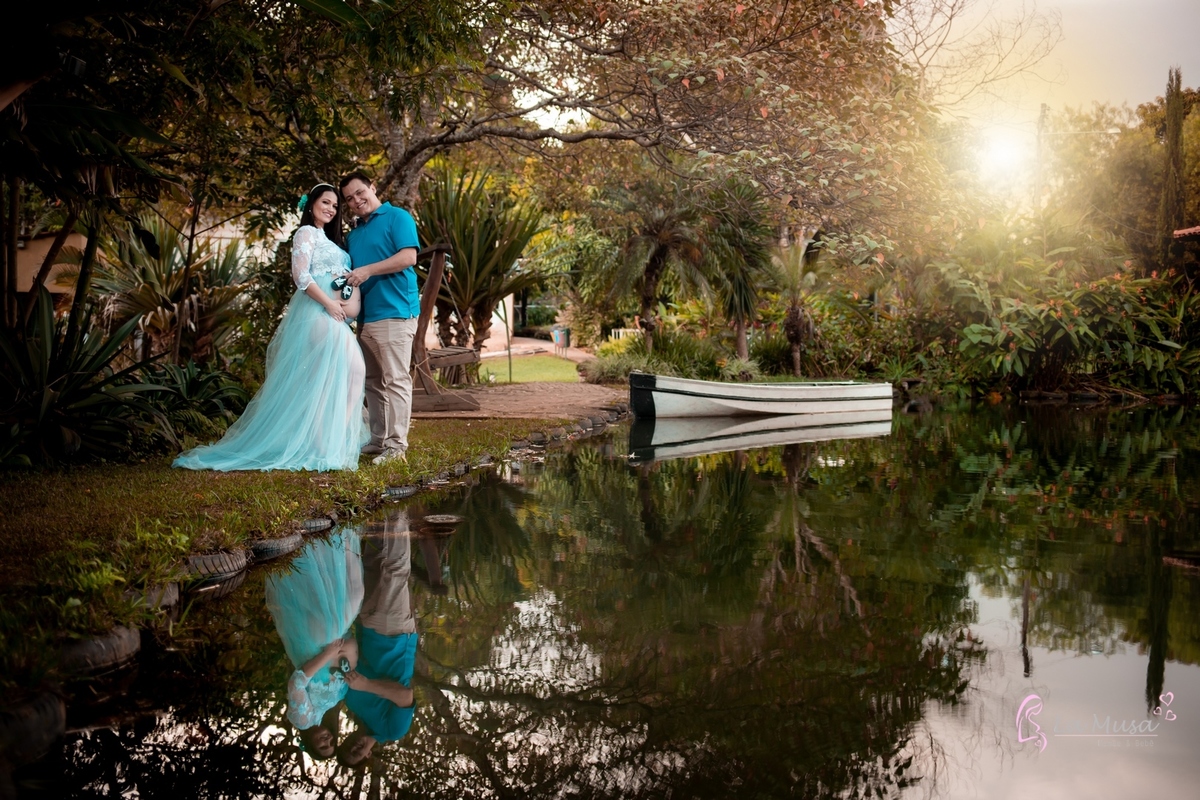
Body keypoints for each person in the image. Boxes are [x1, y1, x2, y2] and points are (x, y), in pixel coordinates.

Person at [173, 184, 368, 471]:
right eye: (326, 202)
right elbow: (301, 276)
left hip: (336, 316)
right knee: (324, 379)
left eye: (335, 206)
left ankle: (332, 437)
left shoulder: (331, 240)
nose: (331, 209)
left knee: (353, 373)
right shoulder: (306, 233)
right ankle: (321, 443)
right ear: (311, 203)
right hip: (318, 312)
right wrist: (329, 303)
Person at [339, 171, 421, 466]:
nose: (356, 200)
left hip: (395, 312)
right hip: (366, 317)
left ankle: (397, 447)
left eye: (360, 192)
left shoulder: (397, 217)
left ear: (373, 188)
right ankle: (378, 440)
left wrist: (368, 270)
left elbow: (409, 257)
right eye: (350, 198)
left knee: (396, 379)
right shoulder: (354, 234)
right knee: (373, 381)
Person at [264, 527, 364, 759]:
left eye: (322, 746)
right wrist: (345, 651)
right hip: (333, 641)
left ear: (309, 744)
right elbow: (346, 664)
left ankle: (309, 541)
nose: (327, 740)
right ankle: (341, 535)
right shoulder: (333, 705)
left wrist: (327, 653)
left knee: (327, 605)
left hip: (313, 646)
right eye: (332, 743)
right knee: (355, 594)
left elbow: (296, 684)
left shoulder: (303, 720)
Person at [336, 508, 419, 766]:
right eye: (357, 753)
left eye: (347, 747)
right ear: (368, 755)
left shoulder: (353, 707)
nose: (354, 747)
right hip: (394, 636)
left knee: (372, 560)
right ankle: (398, 506)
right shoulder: (392, 731)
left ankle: (374, 501)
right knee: (395, 570)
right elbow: (405, 696)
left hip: (365, 625)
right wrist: (365, 685)